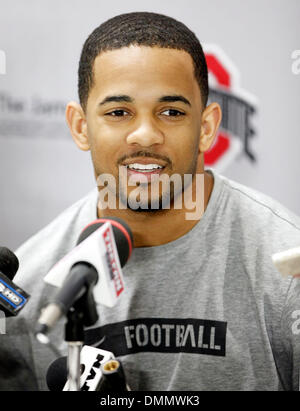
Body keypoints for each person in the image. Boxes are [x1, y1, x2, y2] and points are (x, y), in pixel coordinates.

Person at [2, 11, 300, 391]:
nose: (145, 135)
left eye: (171, 112)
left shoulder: (287, 270)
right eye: (119, 112)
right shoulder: (26, 289)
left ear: (206, 127)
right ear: (80, 126)